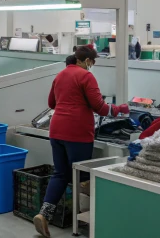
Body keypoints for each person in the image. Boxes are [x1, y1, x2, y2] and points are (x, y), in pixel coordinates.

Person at [33, 46, 129, 237]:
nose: (92, 65)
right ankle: (87, 220)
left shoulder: (60, 75)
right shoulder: (86, 76)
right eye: (92, 62)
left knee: (60, 173)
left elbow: (52, 103)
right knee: (82, 175)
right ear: (87, 60)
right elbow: (100, 108)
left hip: (56, 130)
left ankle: (44, 214)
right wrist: (122, 109)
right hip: (77, 132)